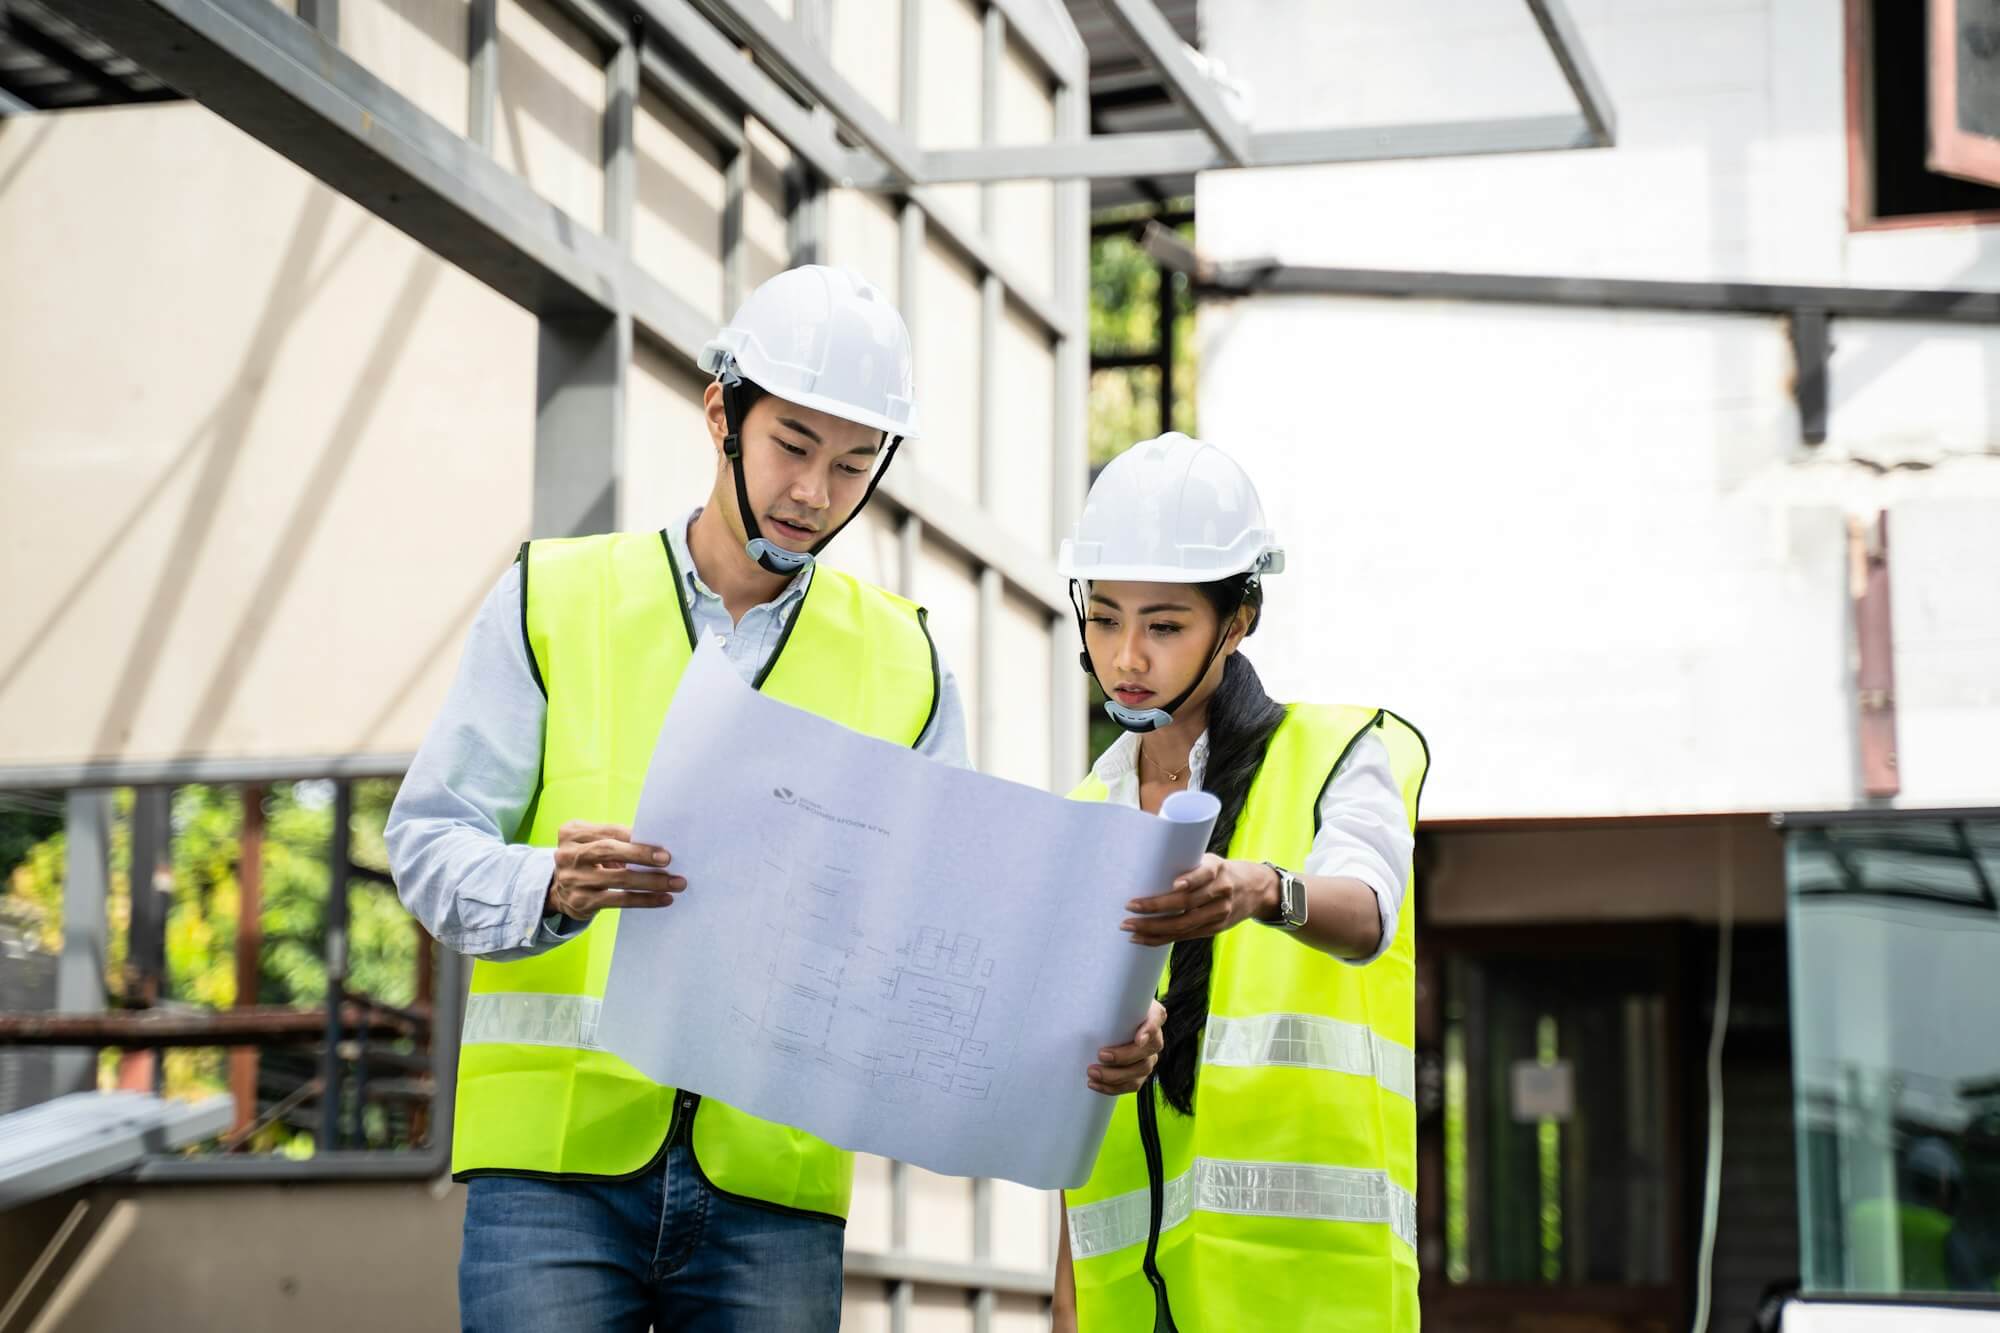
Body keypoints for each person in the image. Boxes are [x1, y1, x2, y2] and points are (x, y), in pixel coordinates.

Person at [387, 265, 1165, 1332]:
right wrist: (549, 884)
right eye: (792, 446)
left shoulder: (907, 660)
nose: (814, 492)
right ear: (721, 413)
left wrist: (1089, 1023)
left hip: (775, 1189)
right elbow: (429, 844)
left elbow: (951, 925)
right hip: (552, 1172)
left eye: (853, 464)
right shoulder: (553, 597)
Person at [1048, 432, 1429, 1333]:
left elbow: (1366, 911)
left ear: (1240, 616)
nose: (1127, 656)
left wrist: (1265, 890)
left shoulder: (1342, 751)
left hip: (1312, 1299)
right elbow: (1068, 1103)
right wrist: (1064, 1307)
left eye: (1164, 624)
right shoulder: (1081, 813)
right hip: (1130, 1305)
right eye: (1103, 618)